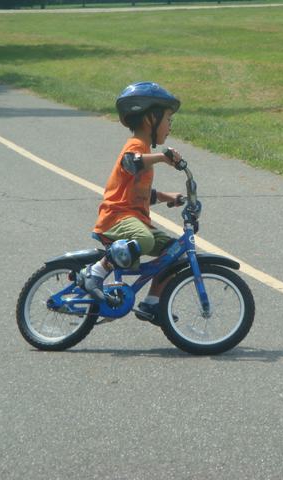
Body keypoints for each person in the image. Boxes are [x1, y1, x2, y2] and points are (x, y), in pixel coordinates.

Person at [79, 81, 184, 322]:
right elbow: (131, 162)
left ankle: (152, 303)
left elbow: (138, 193)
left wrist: (168, 197)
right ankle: (94, 273)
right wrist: (162, 157)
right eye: (168, 119)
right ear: (150, 119)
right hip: (116, 218)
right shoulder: (136, 147)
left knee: (175, 250)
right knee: (144, 240)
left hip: (133, 218)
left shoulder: (145, 150)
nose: (169, 126)